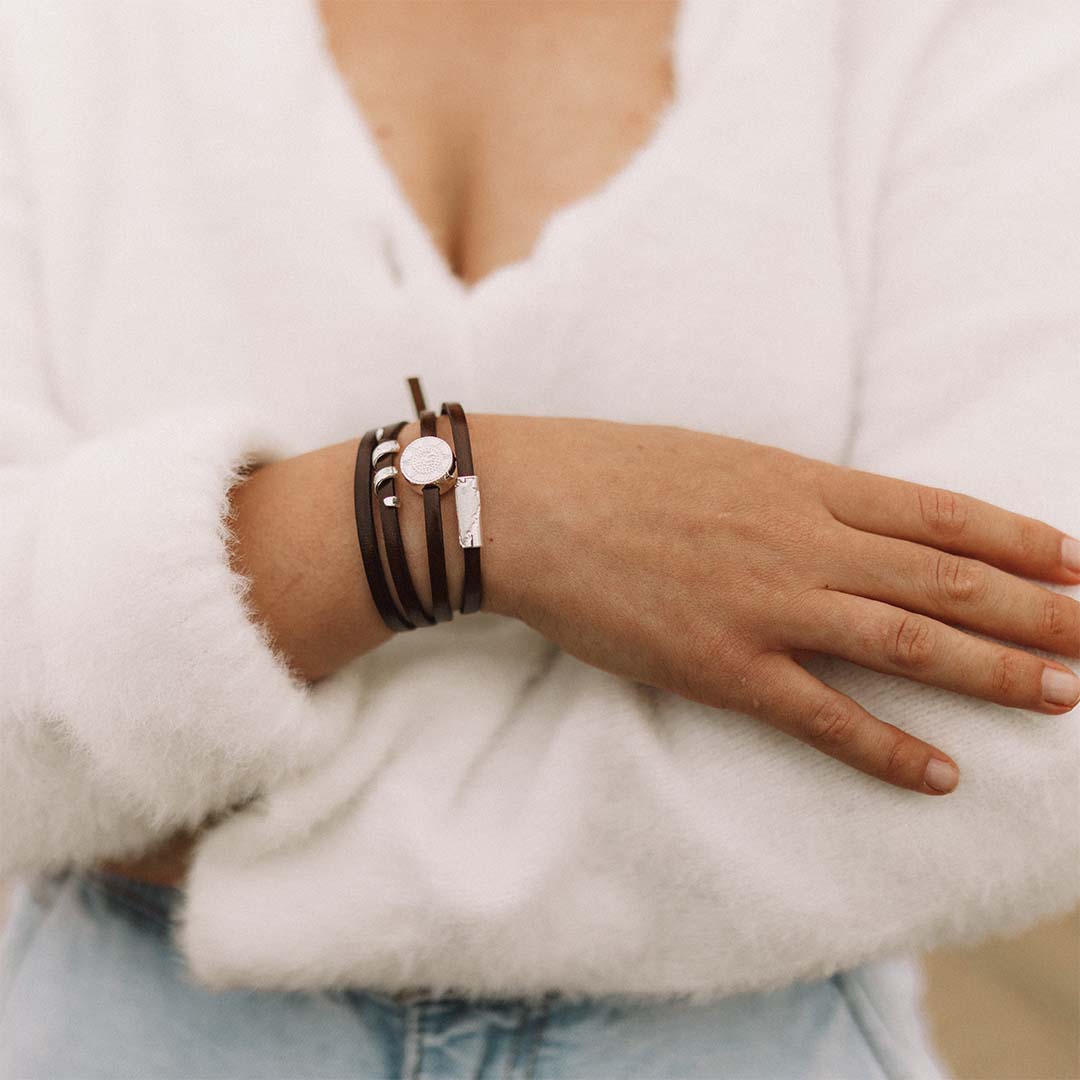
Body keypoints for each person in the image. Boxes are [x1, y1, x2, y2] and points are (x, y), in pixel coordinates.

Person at [1, 1, 1077, 1077]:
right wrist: (483, 508)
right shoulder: (65, 34)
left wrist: (214, 815)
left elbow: (1030, 725)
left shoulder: (957, 29)